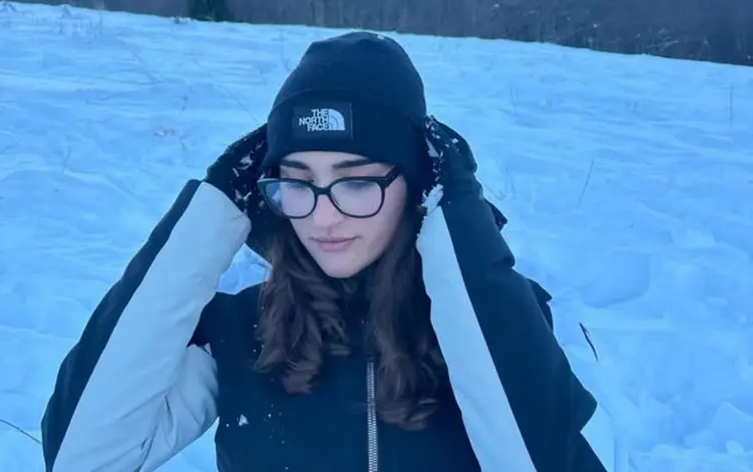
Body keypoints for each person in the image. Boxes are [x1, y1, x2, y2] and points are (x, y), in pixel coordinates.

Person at [40, 32, 625, 472]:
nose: (322, 217)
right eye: (297, 182)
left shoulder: (495, 322)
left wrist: (461, 226)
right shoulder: (243, 330)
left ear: (418, 187)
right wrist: (213, 207)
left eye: (357, 181)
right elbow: (84, 458)